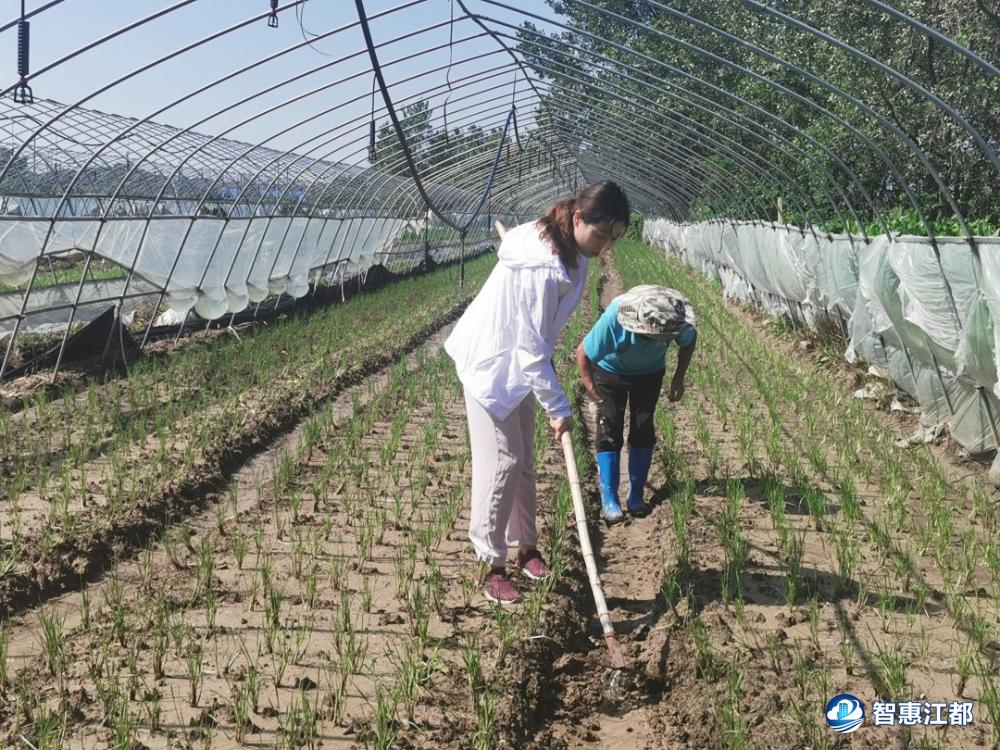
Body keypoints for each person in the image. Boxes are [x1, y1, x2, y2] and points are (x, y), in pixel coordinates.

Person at [445, 181, 630, 604]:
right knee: (503, 463)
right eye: (601, 235)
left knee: (524, 458)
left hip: (518, 365)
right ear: (579, 218)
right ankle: (490, 564)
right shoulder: (543, 266)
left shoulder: (563, 239)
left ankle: (526, 546)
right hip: (492, 365)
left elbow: (533, 347)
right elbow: (531, 351)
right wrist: (559, 408)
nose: (604, 247)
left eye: (614, 239)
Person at [576, 285, 697, 523]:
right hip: (610, 372)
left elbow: (688, 341)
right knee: (609, 428)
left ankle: (636, 493)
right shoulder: (615, 319)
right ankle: (609, 497)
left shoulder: (673, 320)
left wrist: (679, 377)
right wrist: (592, 390)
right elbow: (584, 353)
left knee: (643, 426)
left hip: (650, 373)